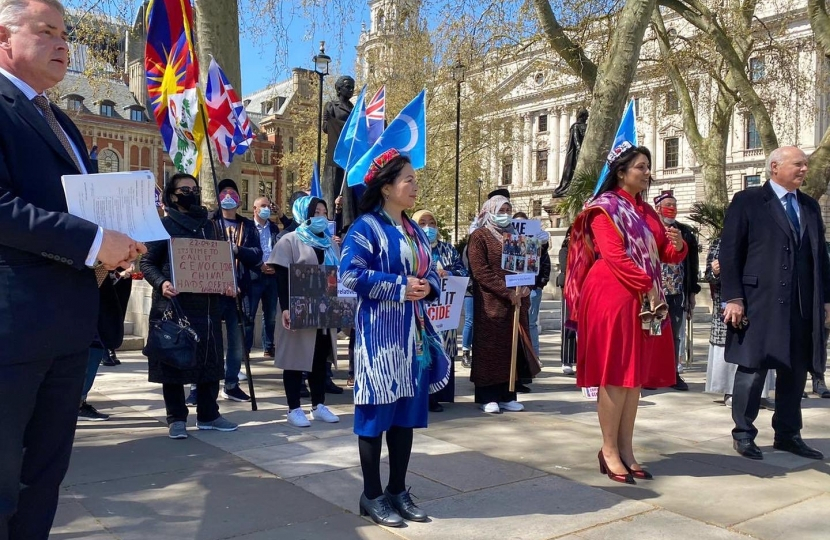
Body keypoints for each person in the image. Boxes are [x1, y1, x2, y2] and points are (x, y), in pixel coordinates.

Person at [0, 1, 145, 537]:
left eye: (65, 33)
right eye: (46, 32)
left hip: (66, 327)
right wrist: (92, 241)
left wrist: (121, 243)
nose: (64, 44)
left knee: (44, 478)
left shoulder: (59, 119)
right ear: (3, 36)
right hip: (11, 328)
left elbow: (80, 207)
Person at [340, 149, 450, 527]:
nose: (415, 187)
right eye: (408, 180)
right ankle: (371, 495)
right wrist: (402, 286)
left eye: (414, 180)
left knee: (405, 417)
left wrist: (429, 288)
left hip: (413, 339)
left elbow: (434, 272)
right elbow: (350, 276)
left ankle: (397, 489)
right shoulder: (366, 228)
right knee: (375, 415)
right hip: (380, 340)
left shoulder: (414, 229)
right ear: (387, 187)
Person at [565, 145, 687, 484]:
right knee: (616, 374)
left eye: (648, 167)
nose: (647, 172)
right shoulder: (604, 209)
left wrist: (677, 244)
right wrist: (647, 283)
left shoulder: (646, 211)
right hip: (612, 293)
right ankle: (608, 450)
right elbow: (615, 257)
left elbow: (665, 254)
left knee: (633, 379)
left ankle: (626, 449)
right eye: (641, 167)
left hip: (644, 297)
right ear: (621, 172)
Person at [720, 146, 829, 461]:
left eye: (806, 164)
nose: (804, 169)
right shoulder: (749, 201)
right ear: (775, 167)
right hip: (758, 303)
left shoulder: (808, 205)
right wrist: (734, 297)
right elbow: (730, 252)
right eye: (798, 164)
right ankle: (743, 434)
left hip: (801, 306)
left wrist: (827, 299)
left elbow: (820, 257)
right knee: (752, 371)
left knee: (795, 373)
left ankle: (788, 434)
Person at [140, 173, 239, 440]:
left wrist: (228, 283)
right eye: (185, 189)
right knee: (173, 360)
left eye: (194, 188)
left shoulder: (210, 227)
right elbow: (146, 263)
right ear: (172, 195)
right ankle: (176, 417)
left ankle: (209, 414)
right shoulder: (162, 226)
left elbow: (221, 263)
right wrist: (162, 283)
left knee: (210, 360)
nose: (191, 193)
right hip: (174, 305)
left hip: (207, 305)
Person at [268, 196, 341, 427]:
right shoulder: (289, 240)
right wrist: (287, 307)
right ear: (303, 214)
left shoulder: (330, 243)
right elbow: (281, 277)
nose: (321, 217)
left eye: (323, 212)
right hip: (298, 308)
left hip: (323, 310)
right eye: (315, 212)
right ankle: (293, 408)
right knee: (295, 358)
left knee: (319, 358)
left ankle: (318, 404)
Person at [467, 195, 541, 413]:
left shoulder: (515, 236)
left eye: (508, 210)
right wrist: (506, 291)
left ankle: (507, 394)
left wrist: (527, 285)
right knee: (490, 348)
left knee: (511, 348)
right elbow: (480, 270)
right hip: (491, 302)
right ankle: (487, 395)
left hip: (516, 303)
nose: (505, 214)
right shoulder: (479, 236)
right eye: (501, 210)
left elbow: (527, 265)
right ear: (490, 211)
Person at [703, 237, 775, 408]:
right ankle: (730, 391)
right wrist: (715, 271)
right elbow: (708, 275)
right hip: (727, 303)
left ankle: (761, 393)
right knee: (731, 346)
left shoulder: (762, 240)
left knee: (759, 346)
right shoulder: (718, 243)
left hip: (758, 301)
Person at [209, 178, 261, 403]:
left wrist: (237, 249)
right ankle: (198, 385)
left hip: (239, 291)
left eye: (233, 193)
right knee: (208, 340)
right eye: (224, 193)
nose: (229, 197)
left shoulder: (247, 226)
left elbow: (257, 254)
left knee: (237, 340)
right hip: (212, 291)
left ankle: (231, 384)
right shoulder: (209, 224)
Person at [413, 208, 468, 412]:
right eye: (423, 223)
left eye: (432, 223)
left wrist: (449, 272)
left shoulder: (448, 249)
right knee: (422, 352)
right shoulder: (413, 247)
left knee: (442, 351)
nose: (429, 228)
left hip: (444, 313)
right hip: (421, 313)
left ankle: (438, 396)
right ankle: (420, 398)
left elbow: (462, 270)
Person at [653, 191, 700, 391]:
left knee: (676, 335)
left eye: (674, 204)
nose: (671, 208)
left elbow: (692, 263)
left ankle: (673, 374)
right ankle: (652, 374)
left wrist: (691, 293)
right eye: (667, 205)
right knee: (654, 332)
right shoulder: (650, 230)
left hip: (677, 292)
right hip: (655, 293)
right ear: (658, 208)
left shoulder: (686, 232)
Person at [78, 270, 131, 421]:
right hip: (82, 318)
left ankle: (79, 402)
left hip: (98, 318)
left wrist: (116, 274)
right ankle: (76, 403)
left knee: (94, 355)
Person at [513, 211, 551, 359]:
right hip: (513, 288)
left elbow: (545, 264)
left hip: (533, 289)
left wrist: (538, 285)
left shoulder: (536, 243)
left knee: (531, 323)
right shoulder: (509, 242)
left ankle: (534, 356)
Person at [250, 196, 280, 358]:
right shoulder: (248, 227)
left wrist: (275, 265)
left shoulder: (274, 228)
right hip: (255, 274)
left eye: (268, 206)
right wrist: (259, 265)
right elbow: (245, 250)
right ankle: (245, 348)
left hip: (272, 276)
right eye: (263, 206)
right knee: (250, 314)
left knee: (270, 315)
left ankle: (268, 346)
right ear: (255, 209)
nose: (266, 208)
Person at [557, 226, 576, 375]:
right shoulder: (565, 251)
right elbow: (566, 267)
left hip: (585, 290)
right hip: (569, 290)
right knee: (568, 326)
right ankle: (567, 359)